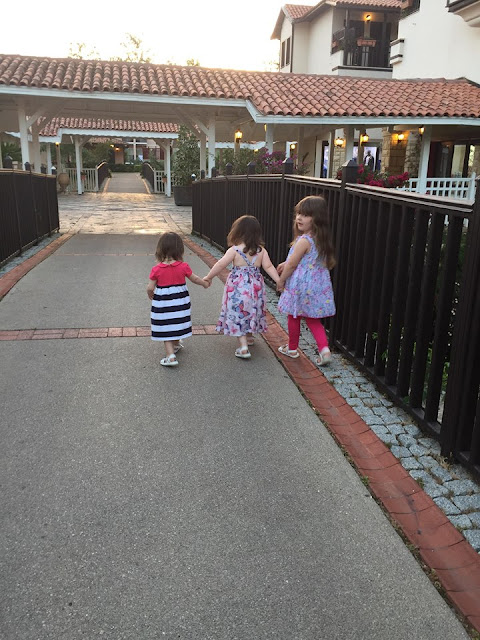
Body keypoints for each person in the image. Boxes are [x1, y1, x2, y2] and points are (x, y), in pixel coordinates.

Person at [203, 215, 280, 359]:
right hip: (255, 287)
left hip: (238, 287)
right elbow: (269, 267)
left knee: (239, 312)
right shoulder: (261, 251)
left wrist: (209, 277)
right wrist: (278, 281)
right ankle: (249, 336)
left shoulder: (234, 250)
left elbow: (221, 264)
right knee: (251, 310)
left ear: (237, 232)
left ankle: (243, 347)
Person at [276, 195, 336, 366]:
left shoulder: (304, 240)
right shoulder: (321, 239)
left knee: (294, 316)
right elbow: (308, 260)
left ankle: (292, 348)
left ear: (316, 219)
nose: (299, 218)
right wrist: (285, 263)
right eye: (298, 214)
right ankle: (324, 350)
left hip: (300, 286)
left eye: (306, 215)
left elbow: (293, 264)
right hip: (317, 286)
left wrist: (281, 280)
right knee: (313, 319)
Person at [147, 232, 209, 367]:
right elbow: (194, 279)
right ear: (179, 250)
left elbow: (150, 287)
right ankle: (175, 345)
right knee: (176, 322)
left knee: (166, 327)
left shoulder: (156, 269)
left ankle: (170, 356)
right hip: (180, 303)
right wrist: (204, 283)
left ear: (160, 249)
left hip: (163, 304)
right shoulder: (183, 267)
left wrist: (150, 293)